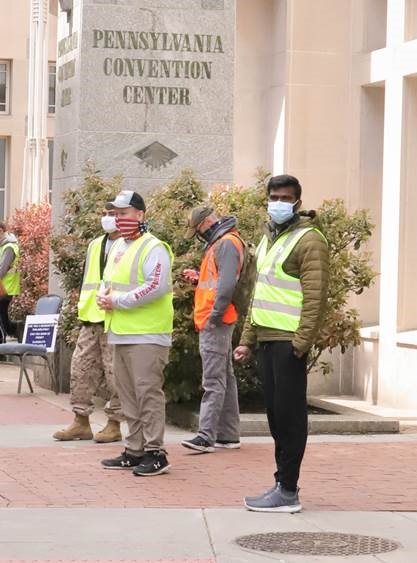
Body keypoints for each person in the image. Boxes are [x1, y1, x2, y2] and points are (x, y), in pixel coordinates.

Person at [234, 174, 329, 513]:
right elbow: (261, 296)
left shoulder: (308, 240)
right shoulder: (268, 240)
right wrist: (247, 339)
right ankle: (281, 484)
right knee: (275, 416)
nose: (279, 203)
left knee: (289, 418)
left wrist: (300, 345)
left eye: (286, 198)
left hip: (288, 344)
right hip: (267, 341)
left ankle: (288, 490)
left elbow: (316, 299)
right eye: (274, 197)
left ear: (298, 203)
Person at [98, 190, 174, 476]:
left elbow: (156, 286)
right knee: (128, 395)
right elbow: (110, 282)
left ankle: (156, 452)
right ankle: (134, 449)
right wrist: (104, 297)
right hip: (121, 331)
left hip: (147, 335)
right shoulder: (119, 247)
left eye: (124, 213)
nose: (118, 218)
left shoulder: (153, 247)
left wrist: (117, 301)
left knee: (147, 394)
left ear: (140, 215)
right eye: (115, 214)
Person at [53, 205, 123, 443]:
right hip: (91, 317)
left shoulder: (132, 245)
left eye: (113, 214)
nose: (108, 218)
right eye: (104, 213)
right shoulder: (95, 244)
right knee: (80, 369)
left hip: (116, 317)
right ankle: (80, 422)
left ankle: (114, 423)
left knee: (116, 374)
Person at [181, 206, 244, 453]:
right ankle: (228, 435)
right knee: (223, 376)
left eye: (198, 229)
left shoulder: (226, 243)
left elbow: (227, 285)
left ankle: (205, 436)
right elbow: (221, 281)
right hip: (217, 317)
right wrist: (199, 278)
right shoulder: (224, 242)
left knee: (213, 379)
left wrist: (214, 317)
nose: (198, 234)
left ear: (207, 221)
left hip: (215, 319)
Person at [0, 222, 20, 343]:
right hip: (2, 286)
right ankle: (14, 329)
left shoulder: (9, 247)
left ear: (1, 231)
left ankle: (13, 330)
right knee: (2, 315)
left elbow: (2, 269)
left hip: (6, 287)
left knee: (2, 315)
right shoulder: (2, 246)